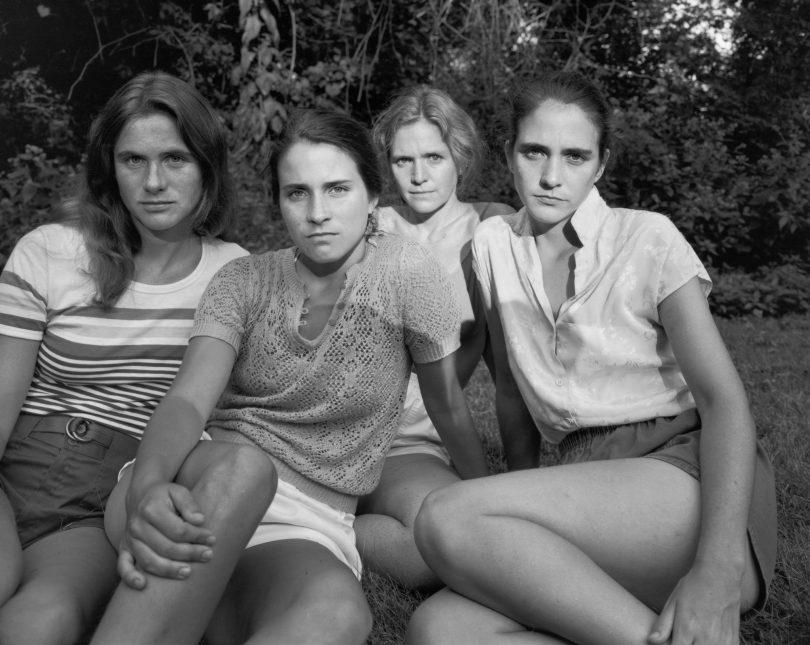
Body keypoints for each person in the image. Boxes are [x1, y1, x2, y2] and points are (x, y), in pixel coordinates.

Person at [90, 108, 489, 645]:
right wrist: (148, 487)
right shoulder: (243, 279)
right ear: (278, 200)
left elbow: (448, 405)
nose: (317, 213)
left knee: (338, 618)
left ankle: (198, 608)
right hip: (199, 480)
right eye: (297, 193)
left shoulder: (407, 274)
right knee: (245, 469)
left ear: (373, 195)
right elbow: (187, 401)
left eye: (337, 189)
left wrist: (489, 505)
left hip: (308, 518)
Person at [407, 71, 777, 645]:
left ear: (601, 164)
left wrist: (718, 569)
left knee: (446, 515)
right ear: (508, 154)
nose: (551, 176)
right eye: (535, 151)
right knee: (440, 631)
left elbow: (723, 401)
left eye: (575, 156)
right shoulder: (491, 245)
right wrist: (518, 503)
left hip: (686, 477)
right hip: (589, 491)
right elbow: (511, 391)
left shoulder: (648, 237)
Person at [0, 71, 250, 644]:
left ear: (207, 166)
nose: (154, 182)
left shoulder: (235, 274)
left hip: (105, 497)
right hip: (16, 462)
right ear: (109, 168)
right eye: (133, 160)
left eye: (175, 159)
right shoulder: (50, 251)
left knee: (44, 621)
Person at [354, 86, 513, 589]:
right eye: (403, 160)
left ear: (459, 158)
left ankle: (332, 528)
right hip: (336, 432)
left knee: (449, 550)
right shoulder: (368, 226)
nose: (418, 175)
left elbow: (508, 374)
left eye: (434, 158)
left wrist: (509, 487)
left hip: (410, 448)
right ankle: (318, 522)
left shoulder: (491, 227)